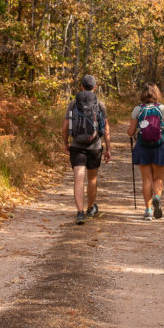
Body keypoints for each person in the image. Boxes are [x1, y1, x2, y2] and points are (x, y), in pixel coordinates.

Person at [62, 75, 111, 225]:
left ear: (81, 86)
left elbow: (65, 127)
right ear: (95, 87)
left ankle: (80, 212)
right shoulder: (100, 104)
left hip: (77, 146)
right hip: (95, 147)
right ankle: (91, 208)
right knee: (92, 178)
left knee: (78, 178)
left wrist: (65, 143)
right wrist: (108, 149)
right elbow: (106, 128)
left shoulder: (73, 104)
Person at [127, 83, 164, 221]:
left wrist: (137, 127)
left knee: (146, 179)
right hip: (160, 146)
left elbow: (130, 132)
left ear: (142, 94)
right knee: (158, 178)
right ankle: (157, 197)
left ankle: (148, 210)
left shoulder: (137, 109)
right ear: (157, 94)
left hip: (143, 147)